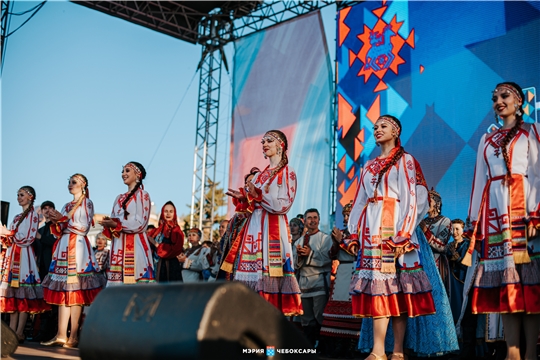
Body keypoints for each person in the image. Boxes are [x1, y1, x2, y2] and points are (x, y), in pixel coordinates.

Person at [348, 115, 436, 360]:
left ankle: (397, 349)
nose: (377, 130)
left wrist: (404, 234)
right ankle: (378, 350)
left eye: (383, 126)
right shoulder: (368, 165)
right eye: (375, 127)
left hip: (396, 228)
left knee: (398, 290)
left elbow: (414, 199)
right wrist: (353, 232)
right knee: (379, 288)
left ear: (396, 131)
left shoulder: (406, 161)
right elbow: (359, 201)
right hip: (372, 230)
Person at [465, 82, 540, 360]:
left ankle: (531, 352)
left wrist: (536, 215)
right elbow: (479, 180)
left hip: (524, 213)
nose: (498, 100)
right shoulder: (487, 140)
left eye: (505, 96)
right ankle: (512, 351)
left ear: (519, 101)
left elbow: (538, 173)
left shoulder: (532, 132)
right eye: (494, 97)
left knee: (528, 285)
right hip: (496, 214)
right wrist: (475, 222)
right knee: (506, 285)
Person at [223, 130, 302, 316]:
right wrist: (243, 198)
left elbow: (283, 204)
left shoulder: (287, 173)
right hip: (255, 227)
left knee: (269, 277)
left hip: (272, 227)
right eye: (262, 141)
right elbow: (252, 204)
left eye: (269, 141)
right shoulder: (259, 176)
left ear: (280, 145)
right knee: (252, 279)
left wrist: (257, 195)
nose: (264, 144)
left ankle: (271, 332)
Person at [41, 174, 103, 348]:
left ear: (83, 185)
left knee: (76, 291)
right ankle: (61, 334)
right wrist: (56, 221)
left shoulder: (87, 203)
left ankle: (73, 335)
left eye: (74, 182)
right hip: (64, 246)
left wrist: (62, 220)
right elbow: (59, 229)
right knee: (63, 291)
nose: (70, 185)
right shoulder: (67, 205)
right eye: (69, 182)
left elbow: (84, 227)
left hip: (78, 247)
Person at [0, 186, 50, 342]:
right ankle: (12, 331)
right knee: (14, 295)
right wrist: (7, 236)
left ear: (30, 197)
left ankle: (20, 331)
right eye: (17, 195)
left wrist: (9, 234)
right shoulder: (16, 217)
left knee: (23, 294)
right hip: (14, 256)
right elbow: (14, 238)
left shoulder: (34, 216)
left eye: (21, 195)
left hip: (24, 258)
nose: (18, 197)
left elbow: (27, 238)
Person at [99, 162, 155, 285]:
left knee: (136, 289)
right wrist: (109, 224)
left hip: (135, 246)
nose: (123, 174)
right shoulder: (118, 198)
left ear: (137, 174)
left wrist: (117, 224)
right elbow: (115, 222)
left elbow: (141, 223)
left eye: (127, 171)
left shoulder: (142, 195)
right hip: (118, 247)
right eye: (122, 171)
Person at [320, 201, 362, 359]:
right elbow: (332, 254)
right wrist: (337, 242)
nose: (345, 217)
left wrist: (342, 241)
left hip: (355, 270)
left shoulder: (360, 233)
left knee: (354, 310)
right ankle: (339, 345)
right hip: (342, 271)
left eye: (348, 214)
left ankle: (353, 346)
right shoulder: (342, 232)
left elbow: (358, 252)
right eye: (344, 214)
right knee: (337, 309)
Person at [292, 208, 332, 348]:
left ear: (319, 220)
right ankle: (309, 346)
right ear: (305, 221)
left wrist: (310, 253)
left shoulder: (325, 238)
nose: (313, 220)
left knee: (320, 315)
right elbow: (294, 263)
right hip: (303, 283)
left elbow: (328, 259)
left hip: (319, 281)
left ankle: (322, 347)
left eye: (315, 217)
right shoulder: (299, 241)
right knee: (306, 318)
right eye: (309, 218)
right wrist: (299, 256)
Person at [419, 188, 452, 297]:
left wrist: (426, 232)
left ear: (437, 203)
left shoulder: (445, 221)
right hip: (422, 264)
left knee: (438, 296)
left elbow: (442, 246)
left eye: (429, 200)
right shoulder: (421, 222)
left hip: (437, 264)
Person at [147, 201, 184, 282]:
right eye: (166, 211)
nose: (168, 214)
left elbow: (176, 249)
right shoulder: (155, 231)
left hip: (170, 268)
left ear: (174, 213)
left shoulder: (177, 231)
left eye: (171, 211)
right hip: (154, 266)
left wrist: (156, 244)